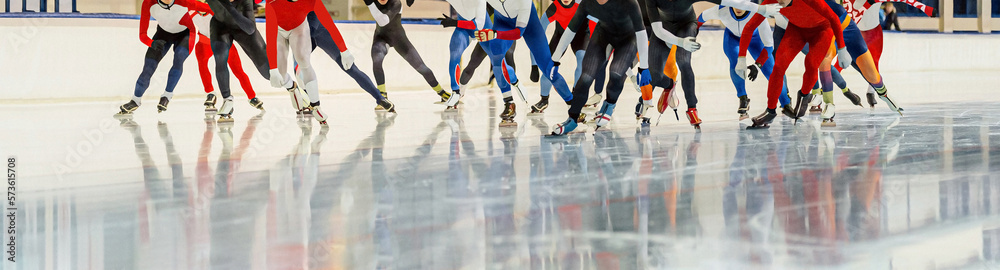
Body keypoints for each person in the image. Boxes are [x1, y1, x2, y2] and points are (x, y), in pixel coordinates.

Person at [644, 0, 778, 128]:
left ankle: (692, 108)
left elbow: (731, 2)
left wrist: (761, 9)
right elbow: (658, 29)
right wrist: (683, 40)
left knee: (684, 62)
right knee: (654, 74)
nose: (738, 11)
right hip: (664, 28)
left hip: (686, 25)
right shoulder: (721, 11)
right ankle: (654, 94)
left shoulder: (758, 17)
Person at [735, 0, 851, 129]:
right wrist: (741, 57)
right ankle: (770, 110)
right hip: (796, 30)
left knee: (812, 64)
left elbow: (834, 18)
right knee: (778, 67)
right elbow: (749, 27)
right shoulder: (771, 2)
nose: (780, 1)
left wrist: (842, 48)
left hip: (821, 31)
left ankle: (804, 95)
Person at [548, 0, 652, 135]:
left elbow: (641, 33)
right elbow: (570, 30)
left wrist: (644, 67)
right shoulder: (587, 3)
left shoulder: (630, 3)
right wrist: (555, 60)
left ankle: (609, 103)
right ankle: (572, 118)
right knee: (585, 77)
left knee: (616, 73)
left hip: (628, 39)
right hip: (603, 34)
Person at [475, 0, 576, 127]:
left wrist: (495, 33)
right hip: (502, 22)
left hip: (529, 24)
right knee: (496, 56)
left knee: (548, 68)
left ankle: (572, 104)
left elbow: (518, 33)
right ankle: (509, 103)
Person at [696, 4, 791, 121]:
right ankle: (743, 98)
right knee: (735, 62)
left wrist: (758, 64)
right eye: (735, 4)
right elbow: (699, 19)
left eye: (742, 3)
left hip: (755, 39)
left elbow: (769, 46)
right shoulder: (721, 10)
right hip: (732, 38)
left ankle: (786, 103)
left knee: (771, 72)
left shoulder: (758, 12)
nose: (739, 8)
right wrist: (692, 34)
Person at [303, 1, 397, 112]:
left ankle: (380, 98)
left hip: (319, 33)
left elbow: (329, 25)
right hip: (308, 34)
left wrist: (344, 50)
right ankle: (308, 102)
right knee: (299, 67)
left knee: (350, 68)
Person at [118, 0, 204, 115]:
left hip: (186, 35)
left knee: (179, 59)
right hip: (163, 35)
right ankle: (135, 100)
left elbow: (211, 8)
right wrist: (151, 43)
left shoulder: (184, 1)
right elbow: (142, 35)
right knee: (148, 68)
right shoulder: (148, 3)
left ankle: (167, 95)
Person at [365, 0, 454, 111]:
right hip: (381, 38)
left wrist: (370, 4)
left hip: (399, 40)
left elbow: (383, 21)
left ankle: (442, 93)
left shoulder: (396, 3)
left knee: (422, 68)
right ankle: (383, 97)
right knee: (377, 61)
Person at [845, 0, 932, 108]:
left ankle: (872, 91)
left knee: (873, 64)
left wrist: (924, 8)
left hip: (873, 33)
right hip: (858, 31)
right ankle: (840, 91)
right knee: (855, 63)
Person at [205, 0, 280, 122]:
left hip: (243, 27)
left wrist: (230, 8)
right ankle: (227, 100)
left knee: (269, 74)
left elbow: (250, 29)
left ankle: (292, 86)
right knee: (220, 57)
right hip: (220, 27)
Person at [531, 0, 604, 114]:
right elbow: (537, 34)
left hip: (581, 36)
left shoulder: (582, 4)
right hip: (560, 36)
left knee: (582, 58)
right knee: (548, 65)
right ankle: (544, 99)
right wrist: (534, 65)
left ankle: (576, 95)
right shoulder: (554, 7)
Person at [438, 1, 514, 108]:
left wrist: (455, 23)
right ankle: (457, 93)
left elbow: (479, 24)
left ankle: (509, 98)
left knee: (501, 62)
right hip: (470, 29)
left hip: (488, 33)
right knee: (464, 61)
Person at [265, 0, 331, 124]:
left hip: (299, 27)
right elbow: (270, 33)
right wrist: (273, 68)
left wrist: (343, 49)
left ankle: (316, 106)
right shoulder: (272, 2)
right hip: (278, 30)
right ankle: (292, 87)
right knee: (281, 75)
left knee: (304, 62)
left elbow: (327, 21)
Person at [189, 8, 262, 112]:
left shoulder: (214, 9)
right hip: (204, 43)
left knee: (237, 70)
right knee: (202, 64)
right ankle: (210, 93)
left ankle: (252, 96)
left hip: (223, 42)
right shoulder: (191, 11)